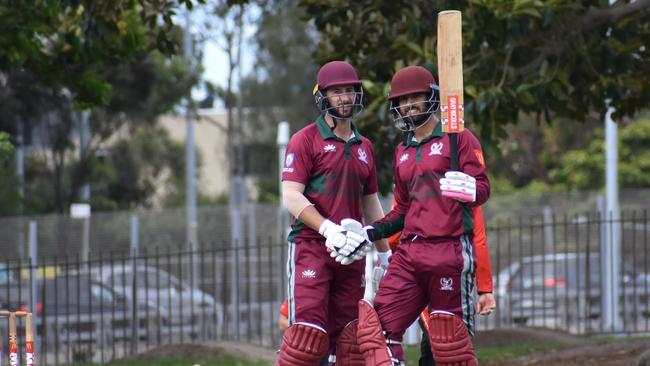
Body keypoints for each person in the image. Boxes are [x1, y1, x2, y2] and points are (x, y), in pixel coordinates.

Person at [351, 66, 490, 366]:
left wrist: (470, 188)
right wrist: (369, 232)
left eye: (416, 97)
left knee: (451, 345)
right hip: (411, 253)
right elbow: (402, 209)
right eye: (403, 100)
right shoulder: (402, 150)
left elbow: (483, 188)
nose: (409, 104)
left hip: (450, 250)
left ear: (432, 98)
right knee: (377, 332)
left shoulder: (460, 138)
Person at [275, 60, 391, 366]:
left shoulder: (364, 146)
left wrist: (385, 254)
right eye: (336, 92)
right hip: (312, 248)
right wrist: (328, 229)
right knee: (306, 341)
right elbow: (290, 195)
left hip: (353, 254)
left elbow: (371, 204)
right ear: (323, 97)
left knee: (350, 344)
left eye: (349, 91)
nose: (344, 97)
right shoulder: (304, 140)